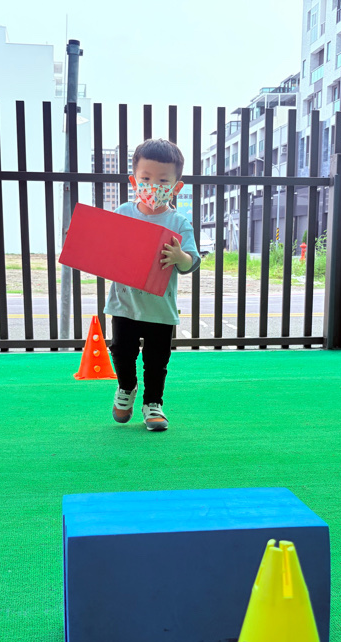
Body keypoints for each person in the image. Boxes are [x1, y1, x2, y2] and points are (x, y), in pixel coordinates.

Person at [106, 138, 200, 432]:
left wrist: (180, 256)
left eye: (162, 180)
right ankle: (126, 387)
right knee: (122, 351)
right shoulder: (123, 213)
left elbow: (191, 262)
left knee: (157, 360)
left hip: (160, 308)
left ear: (176, 187)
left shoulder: (179, 223)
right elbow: (106, 250)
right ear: (134, 181)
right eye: (146, 179)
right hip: (124, 303)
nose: (153, 186)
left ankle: (153, 403)